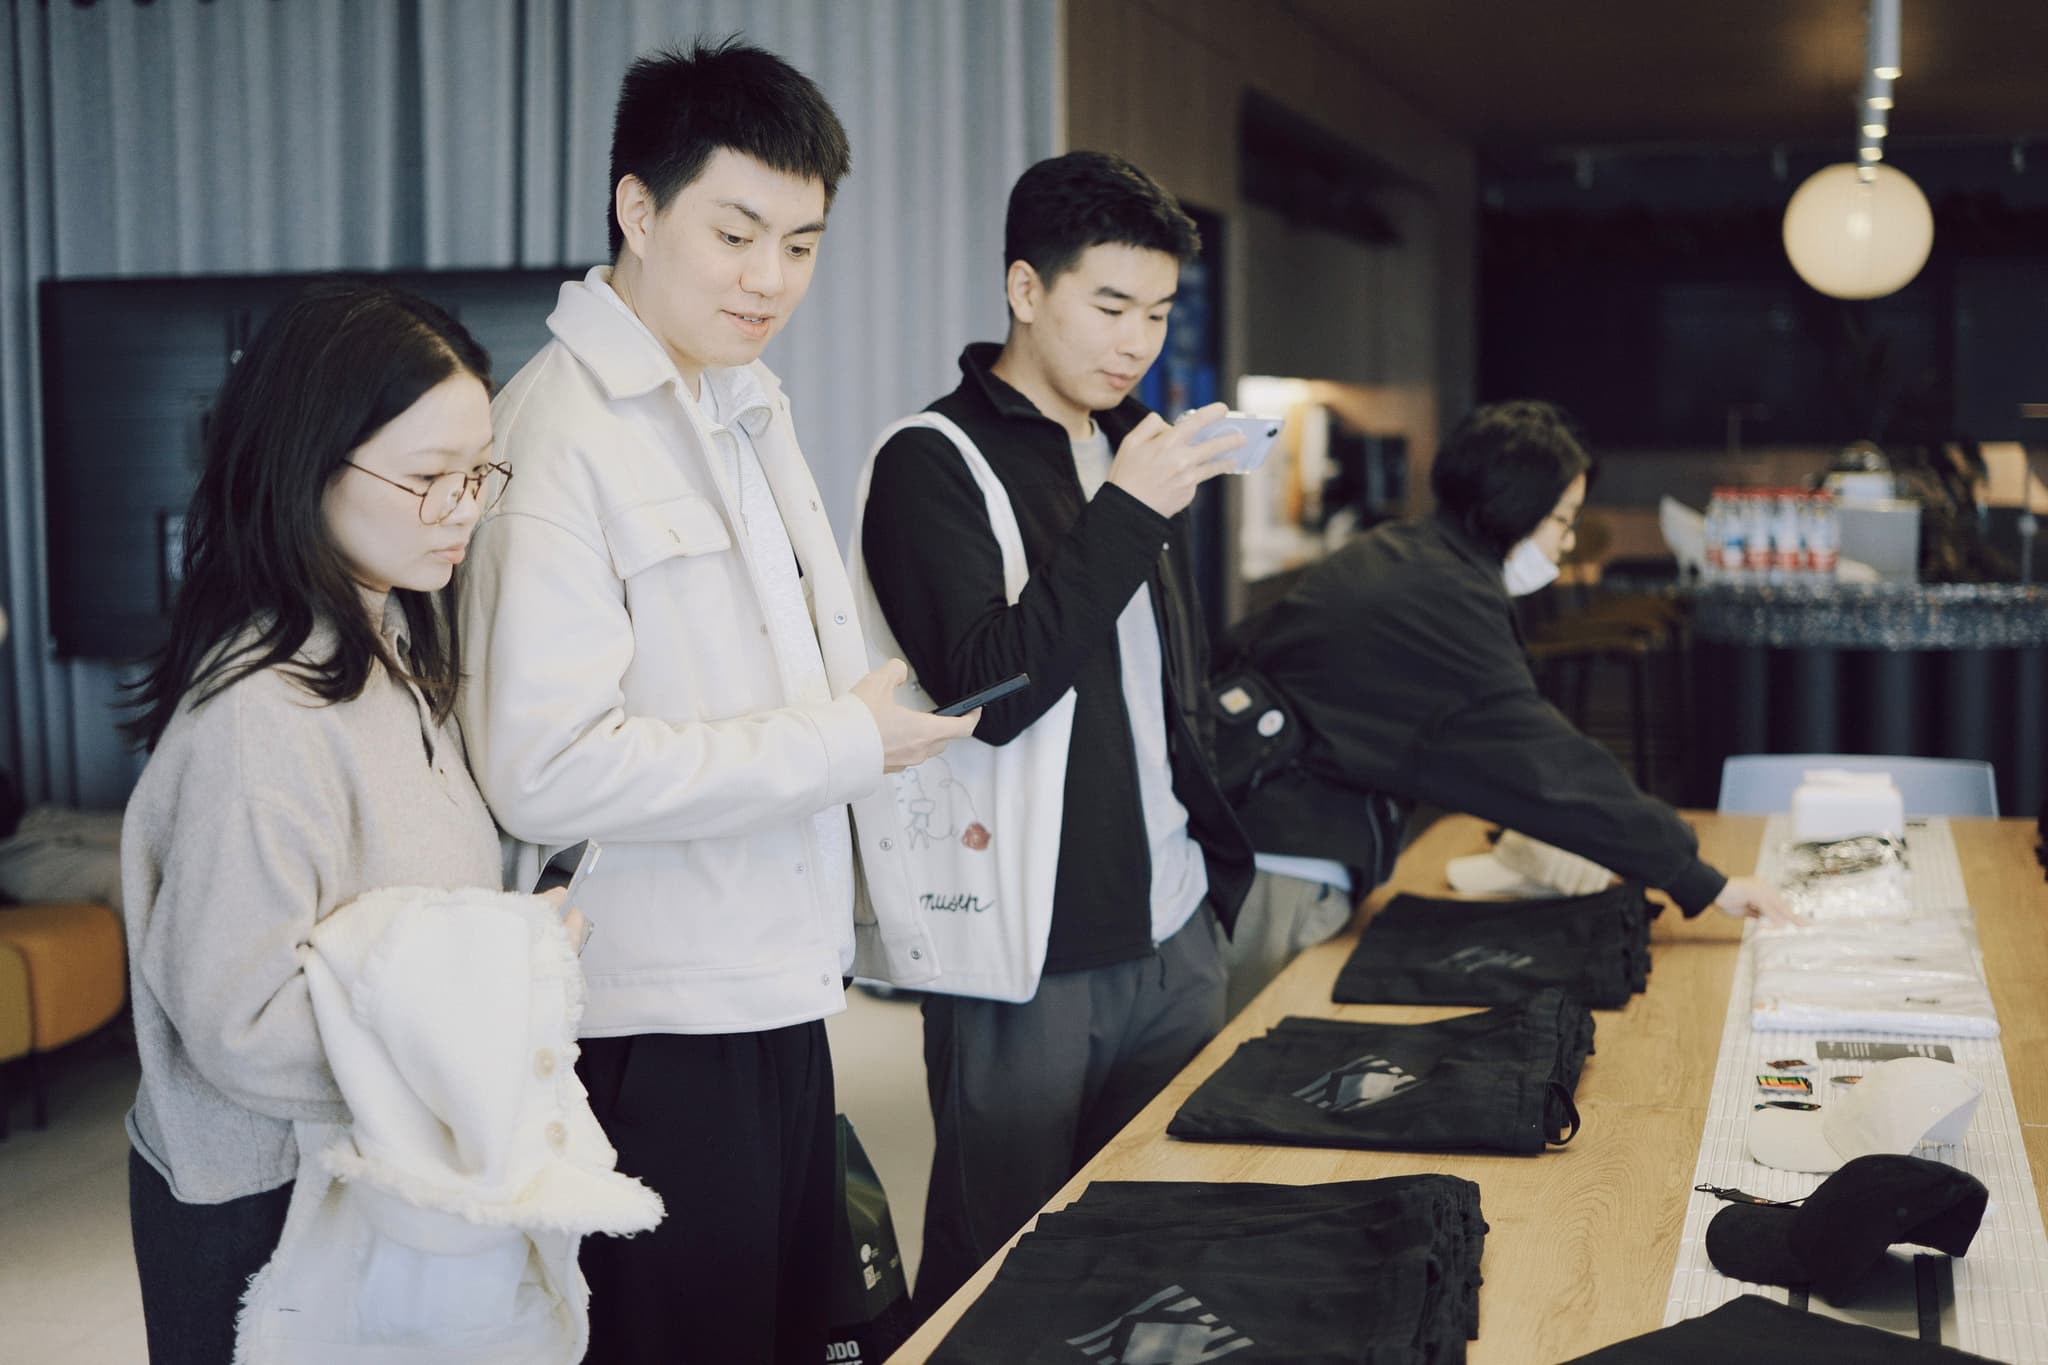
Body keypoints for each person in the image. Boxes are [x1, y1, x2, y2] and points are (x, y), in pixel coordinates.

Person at [455, 39, 973, 1364]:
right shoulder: (559, 430)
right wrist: (837, 739)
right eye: (737, 233)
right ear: (638, 209)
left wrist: (863, 725)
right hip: (649, 1014)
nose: (771, 280)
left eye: (801, 244)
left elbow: (763, 684)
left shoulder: (744, 401)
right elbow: (545, 769)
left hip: (771, 983)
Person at [118, 281, 574, 1361]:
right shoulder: (260, 717)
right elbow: (240, 1026)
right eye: (426, 479)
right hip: (264, 1202)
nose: (463, 507)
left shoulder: (389, 640)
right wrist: (505, 988)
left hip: (355, 1178)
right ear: (305, 466)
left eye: (474, 474)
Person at [856, 149, 1255, 1316]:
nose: (1136, 341)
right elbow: (989, 692)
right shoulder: (931, 459)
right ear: (1025, 290)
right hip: (1023, 944)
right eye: (1109, 306)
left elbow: (1156, 679)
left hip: (1173, 918)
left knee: (1162, 1249)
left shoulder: (1131, 439)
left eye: (1158, 312)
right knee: (1003, 1271)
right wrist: (1128, 512)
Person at [1218, 400, 1794, 1013]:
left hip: (1259, 834)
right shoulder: (1444, 600)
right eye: (1562, 520)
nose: (1568, 543)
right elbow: (1545, 764)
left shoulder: (1405, 555)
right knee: (1243, 1051)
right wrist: (1701, 878)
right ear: (1516, 508)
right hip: (1283, 866)